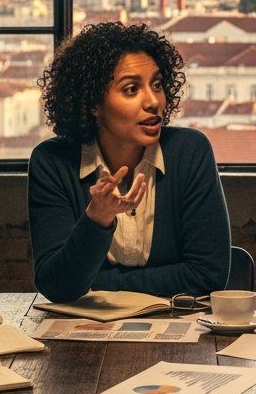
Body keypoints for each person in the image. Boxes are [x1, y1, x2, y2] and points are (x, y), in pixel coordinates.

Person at [29, 21, 231, 302]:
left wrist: (97, 285)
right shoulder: (51, 162)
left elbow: (208, 275)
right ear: (92, 103)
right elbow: (56, 285)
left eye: (157, 85)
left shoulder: (190, 151)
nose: (153, 101)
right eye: (131, 89)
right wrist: (97, 219)